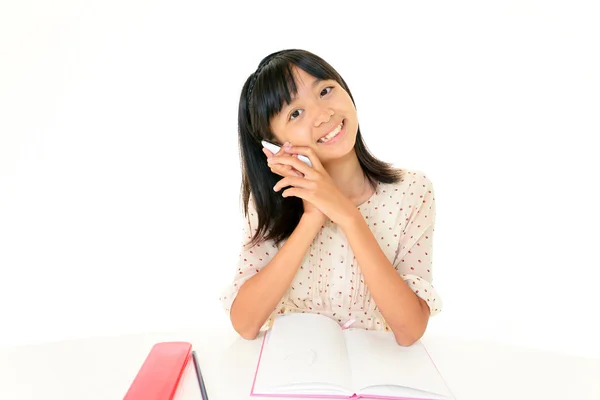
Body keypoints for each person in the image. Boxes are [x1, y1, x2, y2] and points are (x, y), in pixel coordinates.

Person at [219, 49, 442, 346]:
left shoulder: (412, 191)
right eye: (295, 113)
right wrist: (312, 217)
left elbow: (410, 330)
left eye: (325, 91)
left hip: (377, 379)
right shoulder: (273, 198)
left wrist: (347, 215)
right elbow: (246, 324)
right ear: (273, 144)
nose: (324, 114)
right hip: (293, 377)